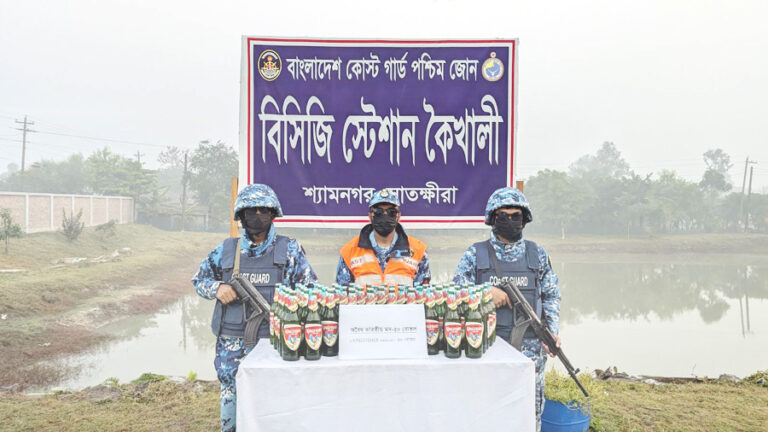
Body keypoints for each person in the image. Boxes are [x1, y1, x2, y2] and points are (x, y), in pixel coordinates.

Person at [192, 184, 317, 432]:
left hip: (276, 342)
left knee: (276, 399)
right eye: (251, 211)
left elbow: (310, 291)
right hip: (232, 344)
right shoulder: (226, 250)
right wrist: (217, 288)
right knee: (231, 395)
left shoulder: (290, 250)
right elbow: (199, 280)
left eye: (263, 211)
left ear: (273, 214)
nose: (257, 216)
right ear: (241, 215)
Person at [452, 187, 561, 432]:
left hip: (530, 352)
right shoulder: (475, 254)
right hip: (486, 348)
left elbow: (551, 295)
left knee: (529, 414)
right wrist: (484, 292)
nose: (510, 220)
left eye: (515, 215)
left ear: (524, 219)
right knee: (486, 410)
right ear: (493, 218)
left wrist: (551, 332)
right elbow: (455, 294)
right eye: (503, 215)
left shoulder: (537, 254)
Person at [336, 188, 431, 287]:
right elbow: (342, 293)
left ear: (398, 216)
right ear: (370, 216)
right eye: (378, 212)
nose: (385, 216)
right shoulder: (350, 251)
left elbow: (423, 293)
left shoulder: (418, 251)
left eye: (391, 212)